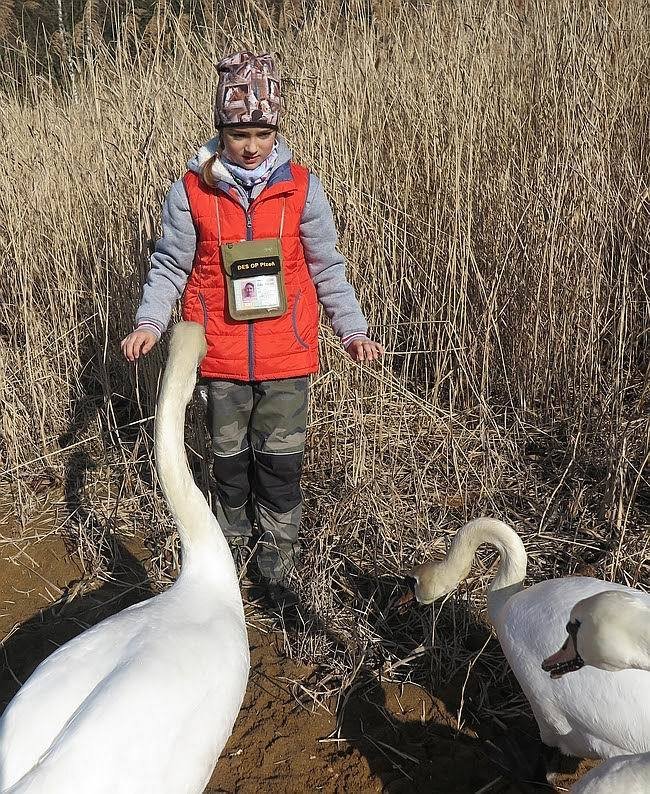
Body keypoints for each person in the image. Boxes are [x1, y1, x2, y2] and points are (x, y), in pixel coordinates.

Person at [121, 51, 383, 601]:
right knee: (229, 464)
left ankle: (278, 562)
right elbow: (170, 263)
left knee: (281, 465)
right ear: (220, 130)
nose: (252, 144)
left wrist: (352, 330)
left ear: (276, 130)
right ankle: (230, 552)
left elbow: (326, 265)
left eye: (263, 132)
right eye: (240, 132)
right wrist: (151, 321)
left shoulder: (302, 189)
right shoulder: (192, 191)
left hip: (287, 355)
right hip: (218, 356)